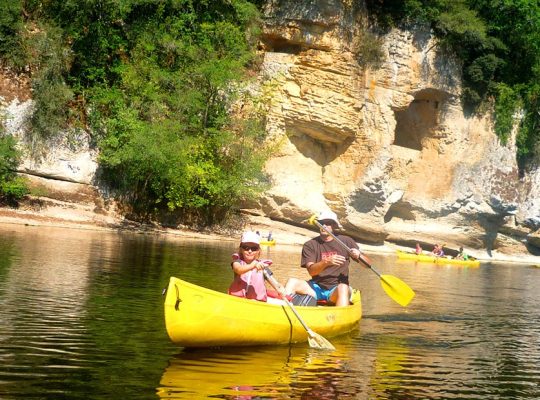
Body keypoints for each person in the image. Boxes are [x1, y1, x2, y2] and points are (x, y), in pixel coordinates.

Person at [284, 210, 360, 307]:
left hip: (336, 289)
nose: (324, 226)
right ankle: (286, 309)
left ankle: (340, 317)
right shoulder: (310, 244)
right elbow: (312, 272)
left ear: (334, 225)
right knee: (292, 282)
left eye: (328, 223)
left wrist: (359, 255)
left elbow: (366, 263)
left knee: (343, 288)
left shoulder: (346, 241)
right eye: (321, 223)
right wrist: (326, 262)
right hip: (316, 287)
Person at [228, 231, 270, 301]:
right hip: (237, 300)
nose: (250, 251)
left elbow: (276, 284)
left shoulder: (263, 266)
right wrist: (253, 265)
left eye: (254, 248)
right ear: (241, 249)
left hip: (256, 302)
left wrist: (281, 290)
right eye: (246, 247)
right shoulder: (237, 262)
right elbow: (239, 270)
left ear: (258, 251)